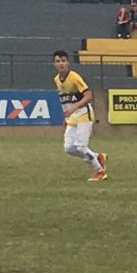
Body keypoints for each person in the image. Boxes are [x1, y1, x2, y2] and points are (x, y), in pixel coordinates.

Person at [52, 50, 108, 182]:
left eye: (64, 60)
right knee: (69, 148)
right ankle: (97, 157)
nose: (61, 64)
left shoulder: (74, 77)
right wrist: (67, 117)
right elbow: (65, 100)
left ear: (68, 62)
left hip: (84, 114)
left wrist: (74, 108)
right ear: (54, 64)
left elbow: (88, 96)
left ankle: (100, 171)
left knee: (81, 146)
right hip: (72, 117)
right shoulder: (56, 80)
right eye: (58, 61)